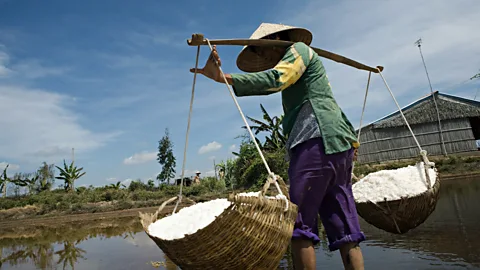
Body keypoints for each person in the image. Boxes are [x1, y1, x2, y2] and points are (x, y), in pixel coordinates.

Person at [190, 23, 365, 270]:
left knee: (299, 226)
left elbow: (276, 78)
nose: (263, 57)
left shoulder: (299, 49)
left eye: (262, 50)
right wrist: (351, 143)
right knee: (345, 227)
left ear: (277, 39)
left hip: (315, 141)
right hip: (336, 145)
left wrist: (222, 77)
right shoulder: (306, 65)